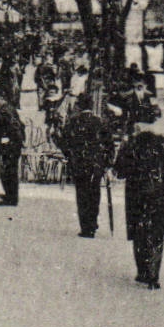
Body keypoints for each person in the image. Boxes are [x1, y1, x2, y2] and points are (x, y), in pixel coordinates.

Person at [113, 108, 164, 289]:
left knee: (139, 232)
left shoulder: (131, 144)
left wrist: (122, 151)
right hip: (161, 196)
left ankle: (143, 270)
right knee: (157, 234)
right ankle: (154, 273)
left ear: (137, 126)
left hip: (136, 196)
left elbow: (119, 172)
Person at [60, 94, 111, 239]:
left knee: (82, 195)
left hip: (79, 164)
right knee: (94, 194)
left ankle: (85, 226)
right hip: (96, 165)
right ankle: (93, 223)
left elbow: (64, 142)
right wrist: (106, 163)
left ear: (79, 106)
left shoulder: (73, 122)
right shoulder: (100, 122)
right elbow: (109, 144)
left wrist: (70, 156)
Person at [0, 97, 24, 207]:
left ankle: (11, 198)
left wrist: (9, 141)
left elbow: (14, 128)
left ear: (1, 99)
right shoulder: (7, 109)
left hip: (10, 146)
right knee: (8, 171)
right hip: (11, 145)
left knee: (8, 171)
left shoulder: (6, 111)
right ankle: (9, 195)